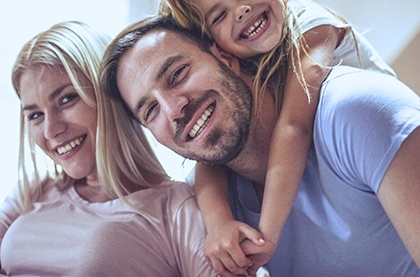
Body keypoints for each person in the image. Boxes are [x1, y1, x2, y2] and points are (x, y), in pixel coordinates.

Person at [100, 14, 420, 276]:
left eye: (178, 74)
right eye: (151, 110)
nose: (173, 110)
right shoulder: (211, 212)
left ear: (224, 56)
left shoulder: (355, 112)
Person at [157, 0, 397, 274]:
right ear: (218, 49)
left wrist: (266, 237)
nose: (241, 9)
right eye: (219, 16)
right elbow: (211, 162)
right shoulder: (247, 68)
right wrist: (219, 224)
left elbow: (294, 126)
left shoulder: (310, 23)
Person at [0, 21, 219, 276]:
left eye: (66, 99)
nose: (51, 129)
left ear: (109, 98)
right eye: (35, 115)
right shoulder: (31, 193)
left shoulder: (175, 206)